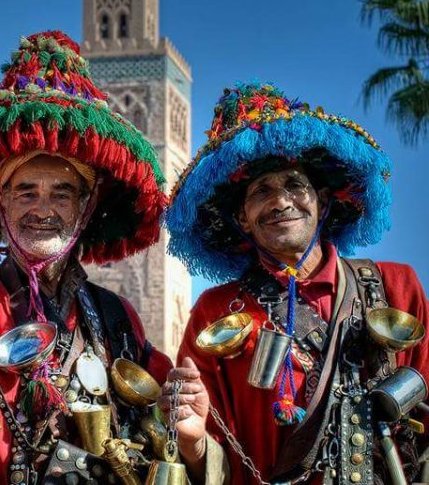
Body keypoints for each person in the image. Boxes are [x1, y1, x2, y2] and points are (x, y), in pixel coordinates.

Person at [0, 31, 193, 484]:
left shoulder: (116, 317)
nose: (43, 209)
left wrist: (188, 411)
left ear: (85, 208)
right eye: (25, 191)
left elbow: (164, 425)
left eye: (62, 194)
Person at [161, 83, 429, 484]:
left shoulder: (396, 286)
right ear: (243, 218)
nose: (281, 202)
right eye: (261, 191)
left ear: (322, 199)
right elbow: (203, 453)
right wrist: (194, 441)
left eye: (294, 185)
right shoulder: (215, 312)